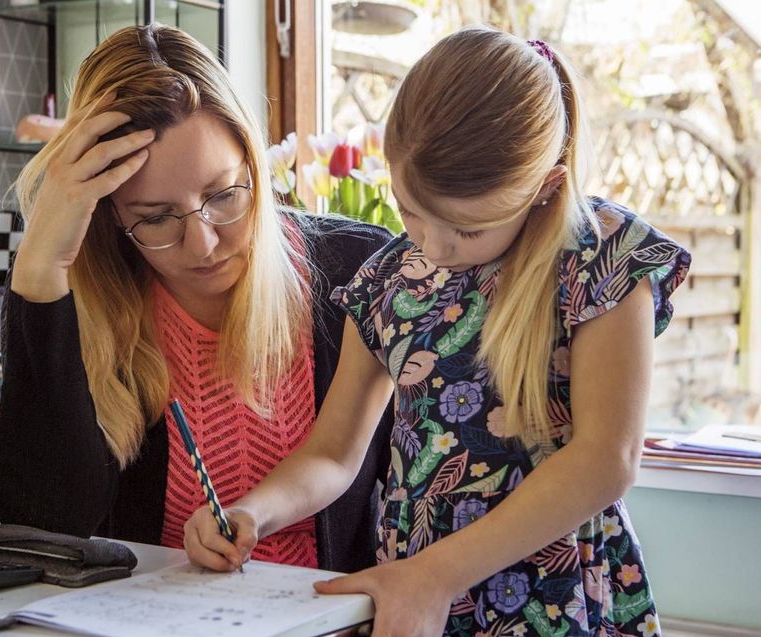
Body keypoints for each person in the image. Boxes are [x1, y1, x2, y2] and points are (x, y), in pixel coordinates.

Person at [184, 26, 691, 637]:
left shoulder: (598, 258)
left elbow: (604, 461)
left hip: (558, 604)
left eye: (468, 230)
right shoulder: (386, 281)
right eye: (410, 211)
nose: (435, 245)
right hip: (416, 597)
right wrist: (252, 511)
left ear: (544, 188)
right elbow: (333, 453)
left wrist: (437, 574)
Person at [0, 23, 394, 574]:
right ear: (109, 215)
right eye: (154, 218)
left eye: (224, 195)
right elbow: (43, 523)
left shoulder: (358, 270)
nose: (202, 243)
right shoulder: (80, 303)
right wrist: (38, 268)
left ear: (253, 162)